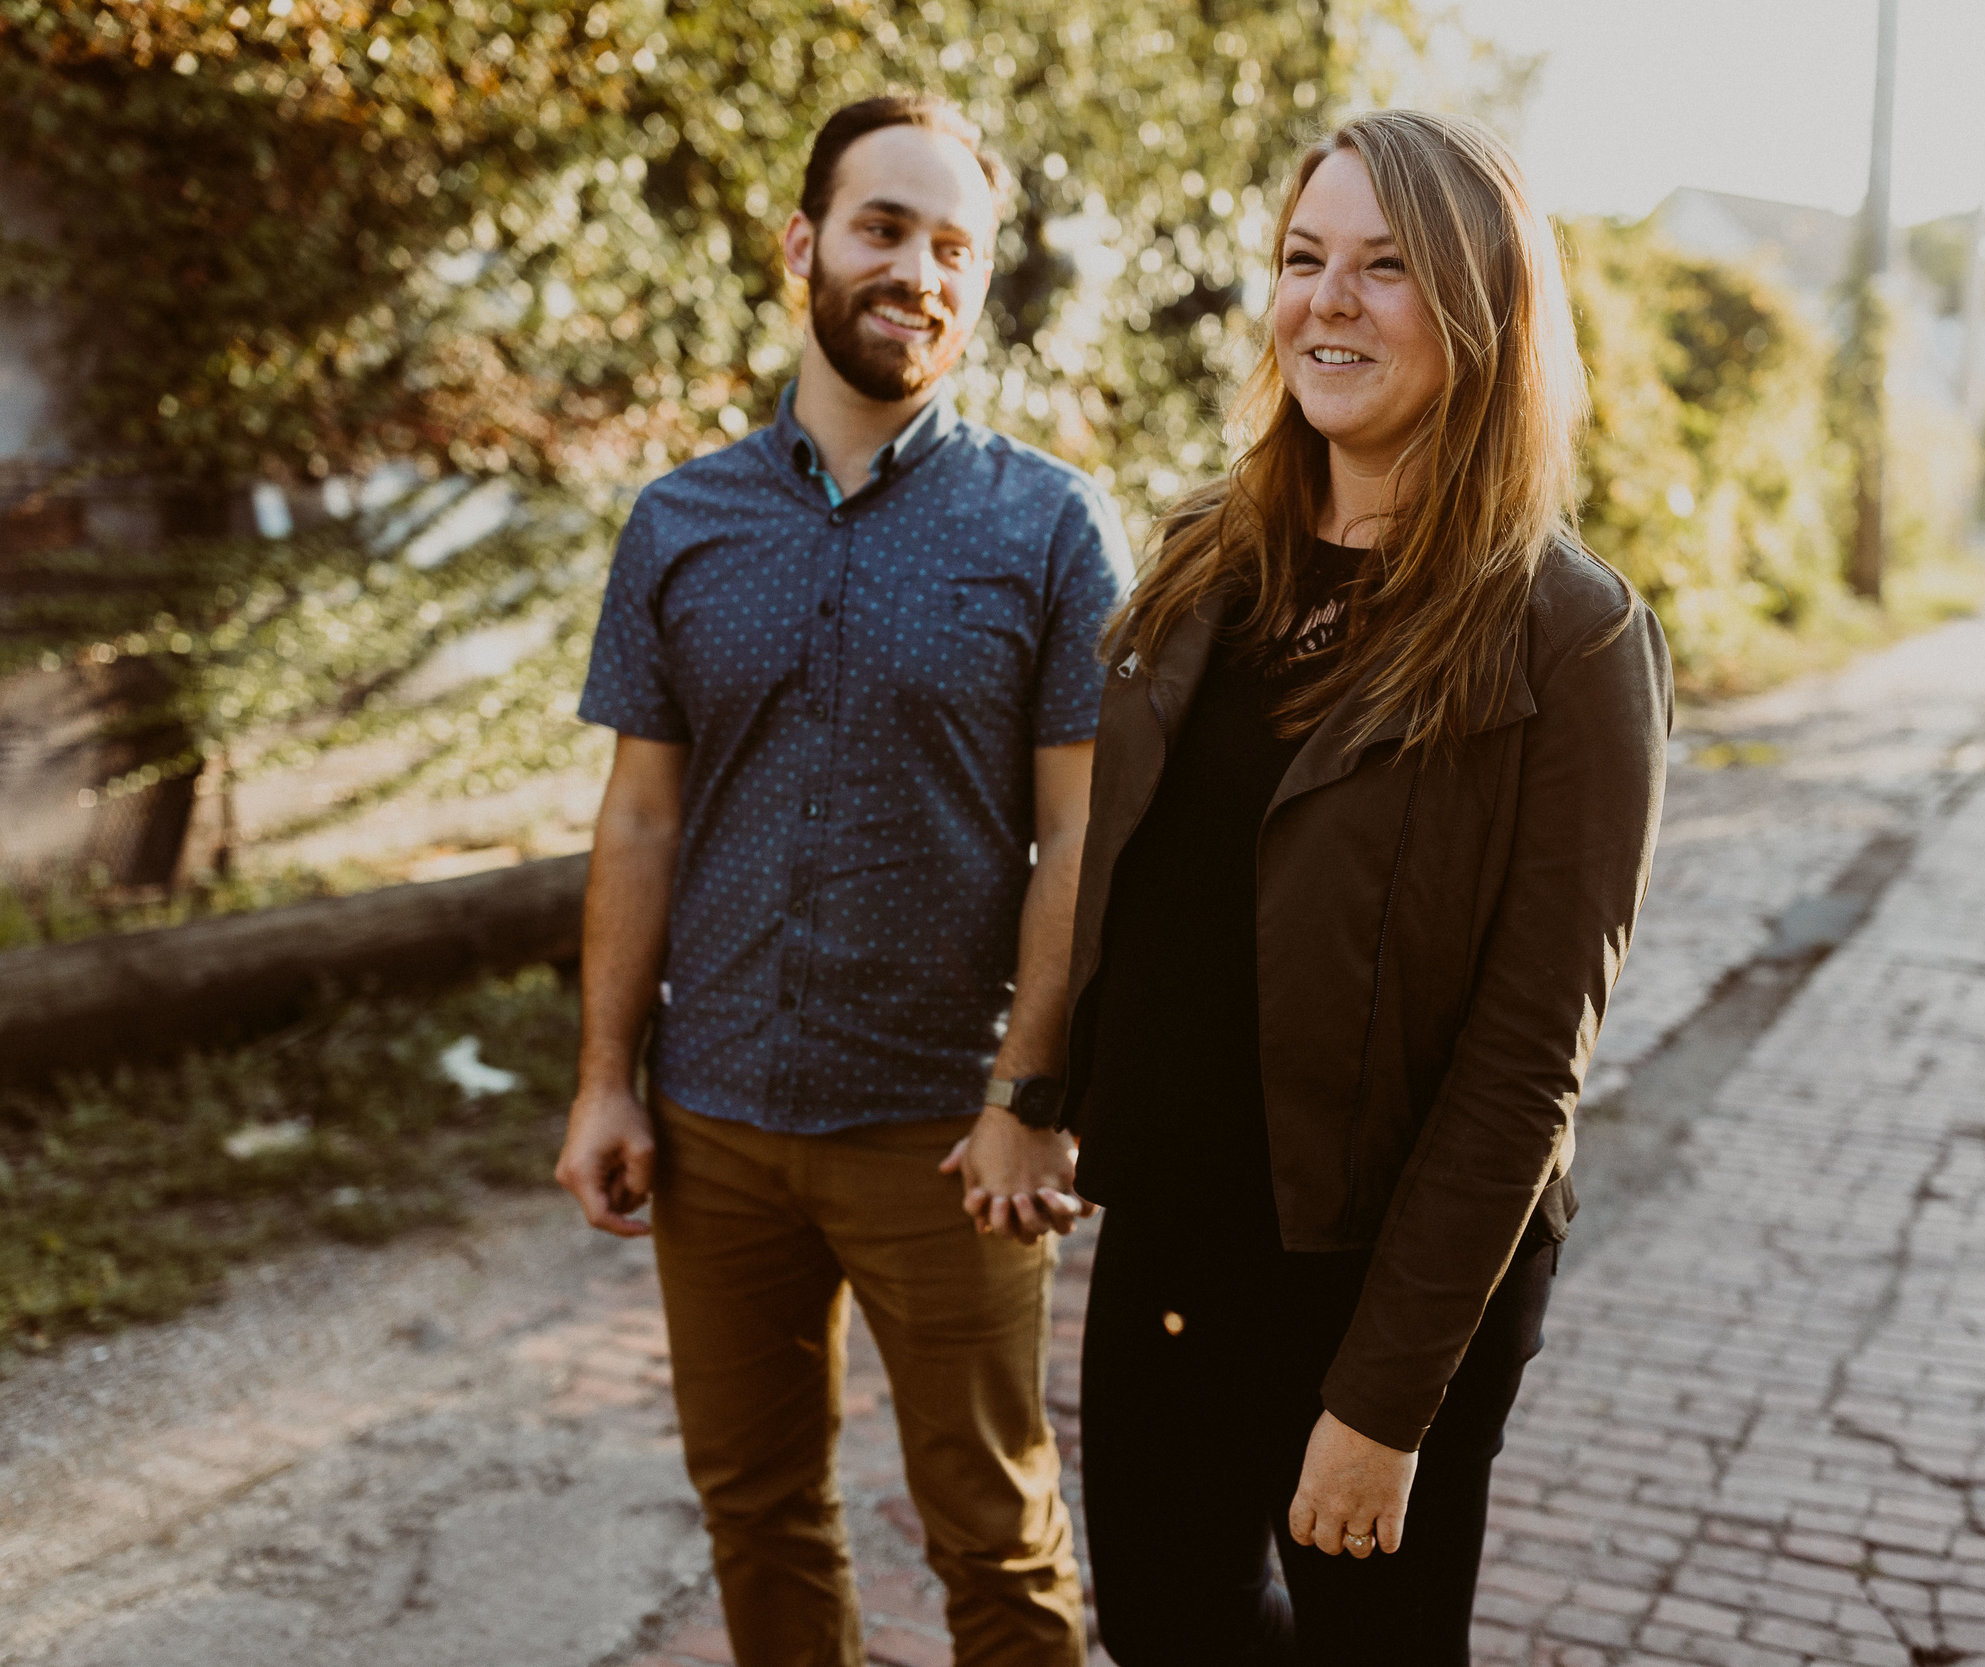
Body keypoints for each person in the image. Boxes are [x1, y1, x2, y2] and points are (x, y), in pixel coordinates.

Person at [1061, 108, 1674, 1663]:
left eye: (1387, 267)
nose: (1327, 300)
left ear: (1482, 313)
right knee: (1164, 1630)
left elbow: (1529, 1059)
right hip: (1176, 1245)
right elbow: (1127, 877)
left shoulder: (1569, 638)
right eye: (1303, 259)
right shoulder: (1210, 562)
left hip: (1385, 1281)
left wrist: (1383, 1401)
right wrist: (1039, 1086)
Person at [556, 92, 1127, 1667]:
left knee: (998, 1544)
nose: (921, 273)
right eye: (886, 229)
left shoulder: (1054, 525)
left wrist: (1034, 1091)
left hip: (947, 1138)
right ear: (804, 243)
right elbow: (641, 822)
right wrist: (608, 1079)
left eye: (959, 247)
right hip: (718, 1123)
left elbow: (1085, 838)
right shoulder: (678, 522)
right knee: (756, 1509)